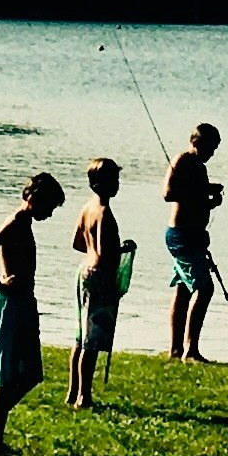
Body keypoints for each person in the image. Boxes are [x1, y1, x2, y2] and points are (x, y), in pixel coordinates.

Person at [0, 170, 63, 456]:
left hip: (25, 301)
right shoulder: (16, 222)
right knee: (9, 376)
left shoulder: (26, 223)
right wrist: (0, 283)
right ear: (34, 198)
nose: (49, 214)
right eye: (48, 207)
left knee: (32, 373)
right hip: (12, 304)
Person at [65, 158, 128, 407]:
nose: (117, 184)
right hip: (99, 276)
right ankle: (84, 395)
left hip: (84, 272)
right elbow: (104, 254)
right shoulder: (104, 213)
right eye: (115, 180)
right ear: (103, 184)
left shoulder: (87, 208)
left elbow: (77, 242)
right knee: (92, 342)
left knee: (81, 337)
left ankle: (72, 391)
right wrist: (119, 256)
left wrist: (99, 250)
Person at [161, 124, 225, 360]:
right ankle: (191, 348)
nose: (212, 153)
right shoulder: (183, 160)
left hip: (193, 235)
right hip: (181, 235)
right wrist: (202, 192)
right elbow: (169, 193)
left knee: (183, 290)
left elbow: (195, 197)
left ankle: (176, 349)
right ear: (198, 142)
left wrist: (210, 196)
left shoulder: (199, 166)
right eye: (211, 147)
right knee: (205, 289)